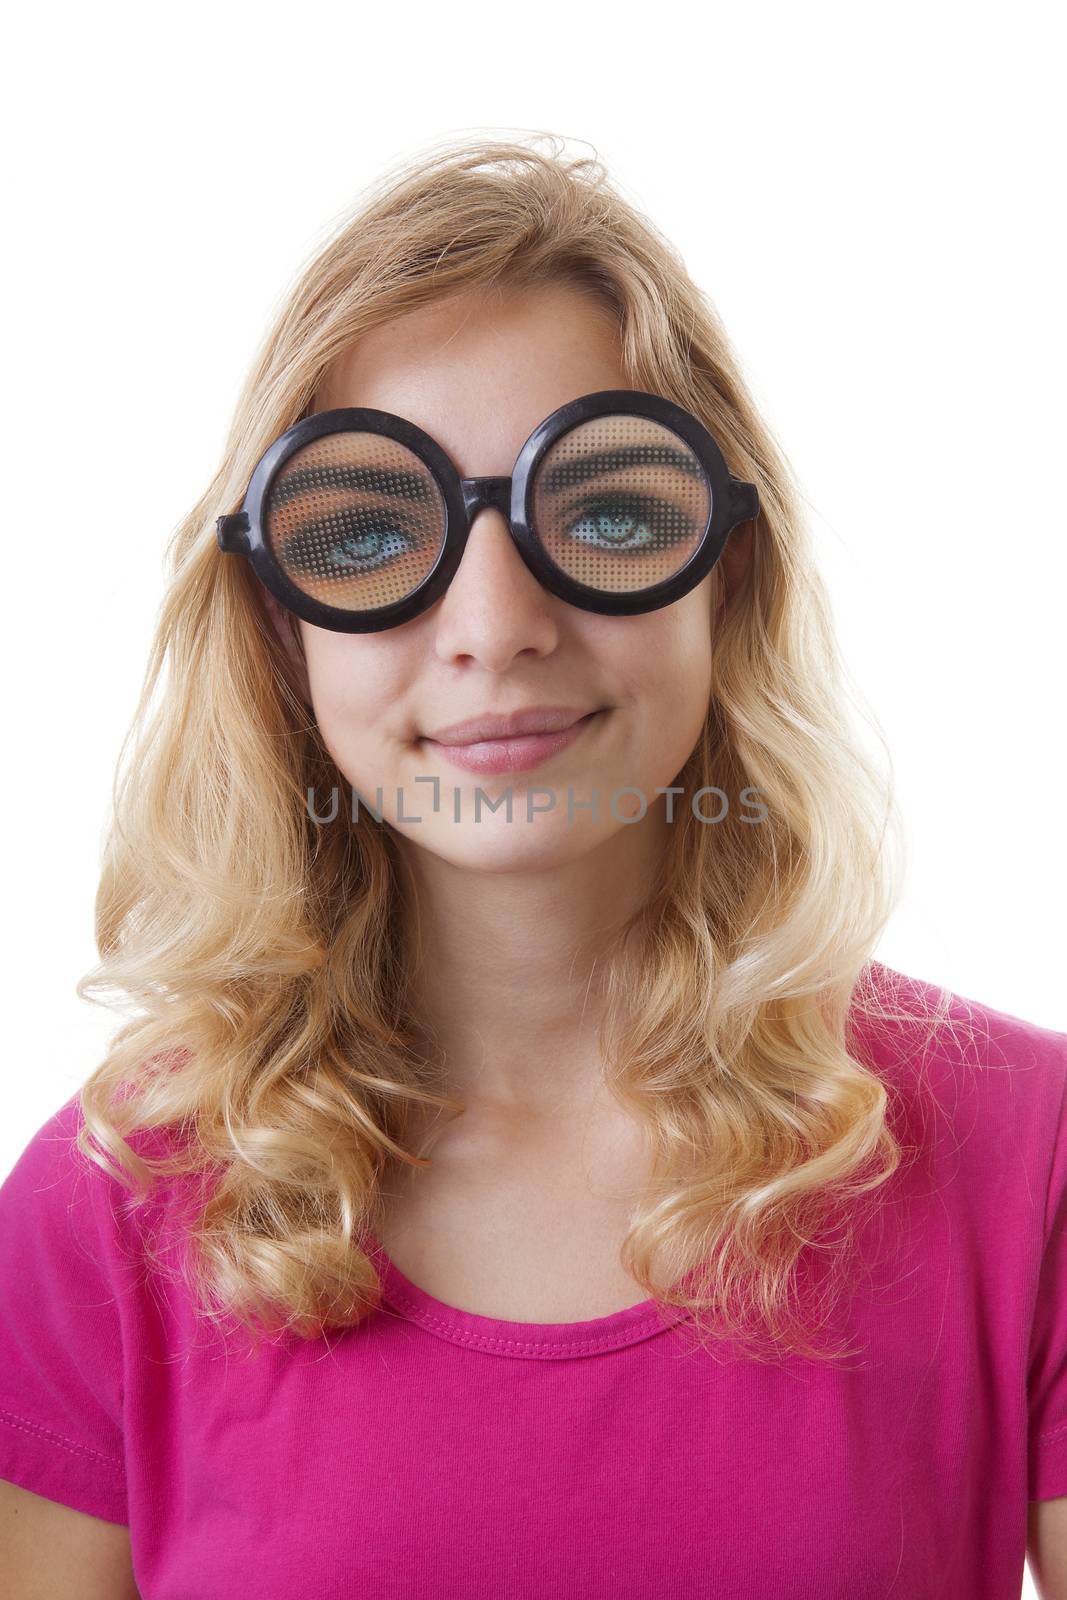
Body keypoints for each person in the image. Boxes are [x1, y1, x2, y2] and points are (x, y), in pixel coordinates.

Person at [1, 132, 1066, 1600]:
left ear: (725, 572)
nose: (496, 623)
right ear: (277, 625)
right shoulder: (107, 1207)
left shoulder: (1029, 1157)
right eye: (374, 532)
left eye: (609, 513)